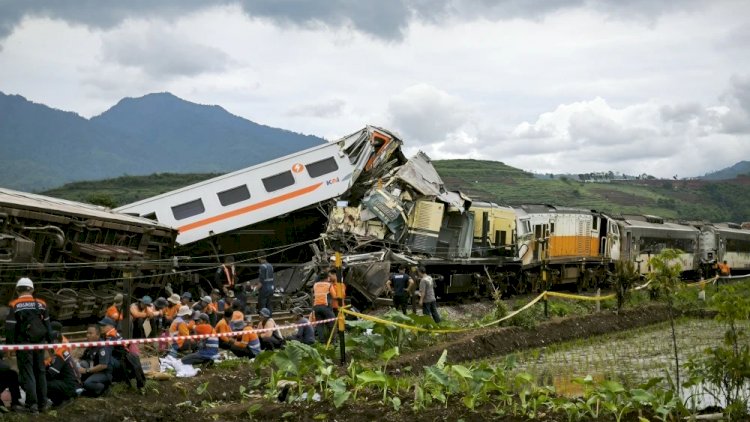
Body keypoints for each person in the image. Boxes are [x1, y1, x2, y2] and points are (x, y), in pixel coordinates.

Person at [5, 277, 51, 413]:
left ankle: (32, 405)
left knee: (28, 372)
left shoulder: (14, 305)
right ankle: (43, 403)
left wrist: (10, 346)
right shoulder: (42, 304)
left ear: (18, 290)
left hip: (24, 344)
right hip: (40, 343)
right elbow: (48, 325)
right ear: (32, 289)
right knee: (40, 371)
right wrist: (51, 344)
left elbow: (10, 328)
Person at [45, 330, 79, 407]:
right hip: (68, 383)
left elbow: (51, 373)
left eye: (48, 341)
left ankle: (60, 401)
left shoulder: (60, 353)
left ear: (55, 342)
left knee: (43, 384)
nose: (46, 344)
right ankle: (58, 401)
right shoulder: (60, 351)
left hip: (69, 386)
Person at [79, 324, 113, 397]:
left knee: (88, 384)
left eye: (90, 333)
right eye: (87, 333)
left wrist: (86, 370)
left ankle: (103, 389)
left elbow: (103, 365)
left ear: (98, 335)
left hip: (104, 373)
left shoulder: (102, 346)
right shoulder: (92, 345)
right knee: (81, 363)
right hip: (94, 369)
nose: (87, 335)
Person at [312, 273, 335, 342]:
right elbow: (334, 296)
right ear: (326, 278)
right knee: (332, 324)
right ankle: (333, 341)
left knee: (319, 325)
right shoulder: (329, 285)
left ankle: (321, 341)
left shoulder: (315, 285)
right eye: (328, 277)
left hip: (316, 307)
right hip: (325, 307)